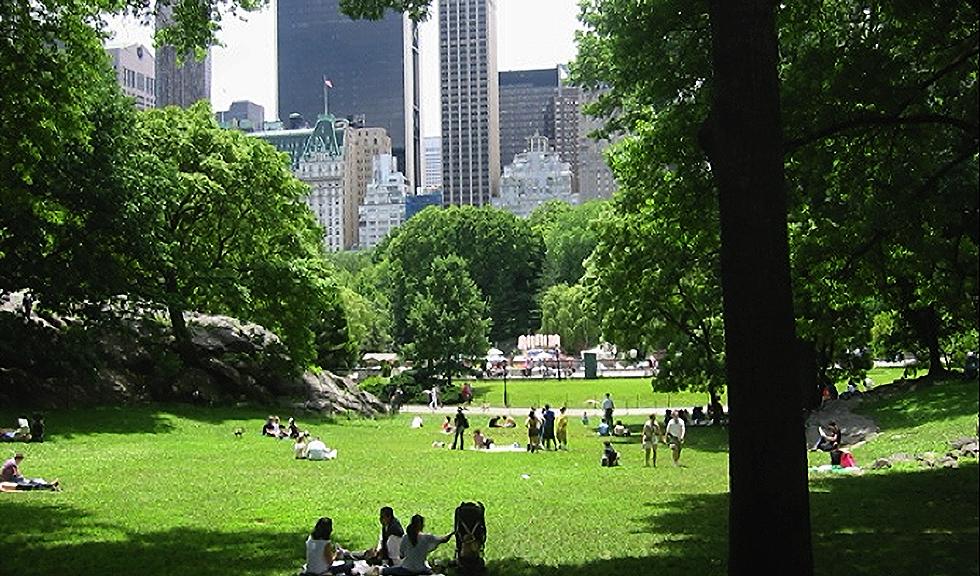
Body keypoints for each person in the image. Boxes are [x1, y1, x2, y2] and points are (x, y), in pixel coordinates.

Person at [379, 514, 453, 576]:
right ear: (421, 526)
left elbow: (401, 555)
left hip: (406, 569)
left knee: (384, 570)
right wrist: (453, 532)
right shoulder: (427, 537)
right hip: (422, 569)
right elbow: (444, 539)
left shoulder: (405, 537)